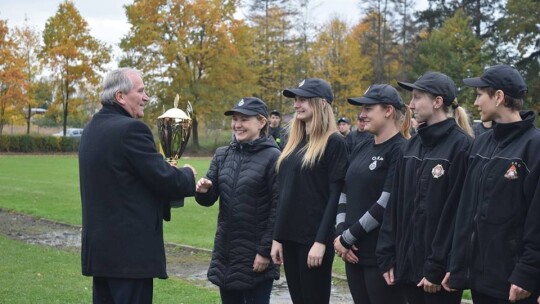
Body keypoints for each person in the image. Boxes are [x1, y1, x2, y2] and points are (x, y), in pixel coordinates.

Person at [79, 68, 196, 304]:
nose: (146, 97)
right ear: (121, 96)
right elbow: (164, 179)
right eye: (141, 91)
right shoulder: (131, 130)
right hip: (129, 258)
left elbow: (130, 182)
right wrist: (187, 175)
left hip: (101, 255)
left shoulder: (91, 129)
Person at [445, 65, 540, 304]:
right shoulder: (480, 144)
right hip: (479, 279)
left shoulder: (534, 147)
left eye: (479, 95)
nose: (475, 102)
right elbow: (467, 210)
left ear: (498, 97)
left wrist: (527, 272)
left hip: (514, 283)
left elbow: (537, 219)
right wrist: (457, 265)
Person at [376, 71, 473, 304]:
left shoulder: (462, 147)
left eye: (418, 97)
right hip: (407, 269)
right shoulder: (411, 147)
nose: (411, 104)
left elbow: (458, 216)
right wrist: (387, 254)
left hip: (437, 277)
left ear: (438, 102)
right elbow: (395, 206)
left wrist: (438, 266)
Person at [195, 97, 280, 304]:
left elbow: (278, 209)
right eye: (235, 119)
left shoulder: (274, 157)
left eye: (244, 119)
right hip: (226, 255)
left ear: (261, 123)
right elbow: (208, 200)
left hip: (256, 257)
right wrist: (204, 190)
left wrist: (264, 252)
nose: (237, 125)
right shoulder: (222, 154)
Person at [271, 78, 348, 304]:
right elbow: (284, 193)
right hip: (290, 238)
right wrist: (278, 238)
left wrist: (321, 241)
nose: (297, 105)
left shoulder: (334, 143)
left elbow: (335, 196)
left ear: (321, 103)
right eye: (296, 100)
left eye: (303, 100)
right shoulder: (293, 142)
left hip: (313, 241)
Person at [334, 84, 410, 304]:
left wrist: (348, 238)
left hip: (380, 259)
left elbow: (386, 201)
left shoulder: (401, 149)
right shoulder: (362, 147)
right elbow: (344, 191)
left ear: (388, 110)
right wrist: (340, 233)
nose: (362, 114)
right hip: (352, 255)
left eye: (368, 108)